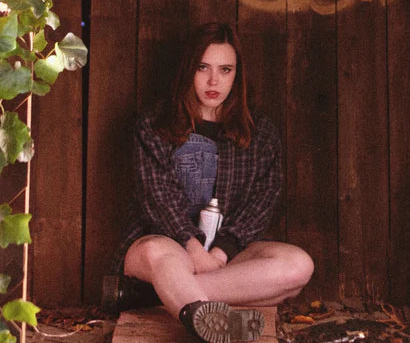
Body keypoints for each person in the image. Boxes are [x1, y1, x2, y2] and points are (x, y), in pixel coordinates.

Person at [102, 23, 314, 343]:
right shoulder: (154, 124)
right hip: (164, 246)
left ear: (237, 76)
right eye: (203, 68)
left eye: (225, 70)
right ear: (189, 70)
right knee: (160, 253)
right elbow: (157, 196)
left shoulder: (262, 133)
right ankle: (215, 322)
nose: (214, 81)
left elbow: (262, 202)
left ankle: (155, 296)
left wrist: (220, 254)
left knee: (298, 266)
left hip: (226, 254)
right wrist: (193, 249)